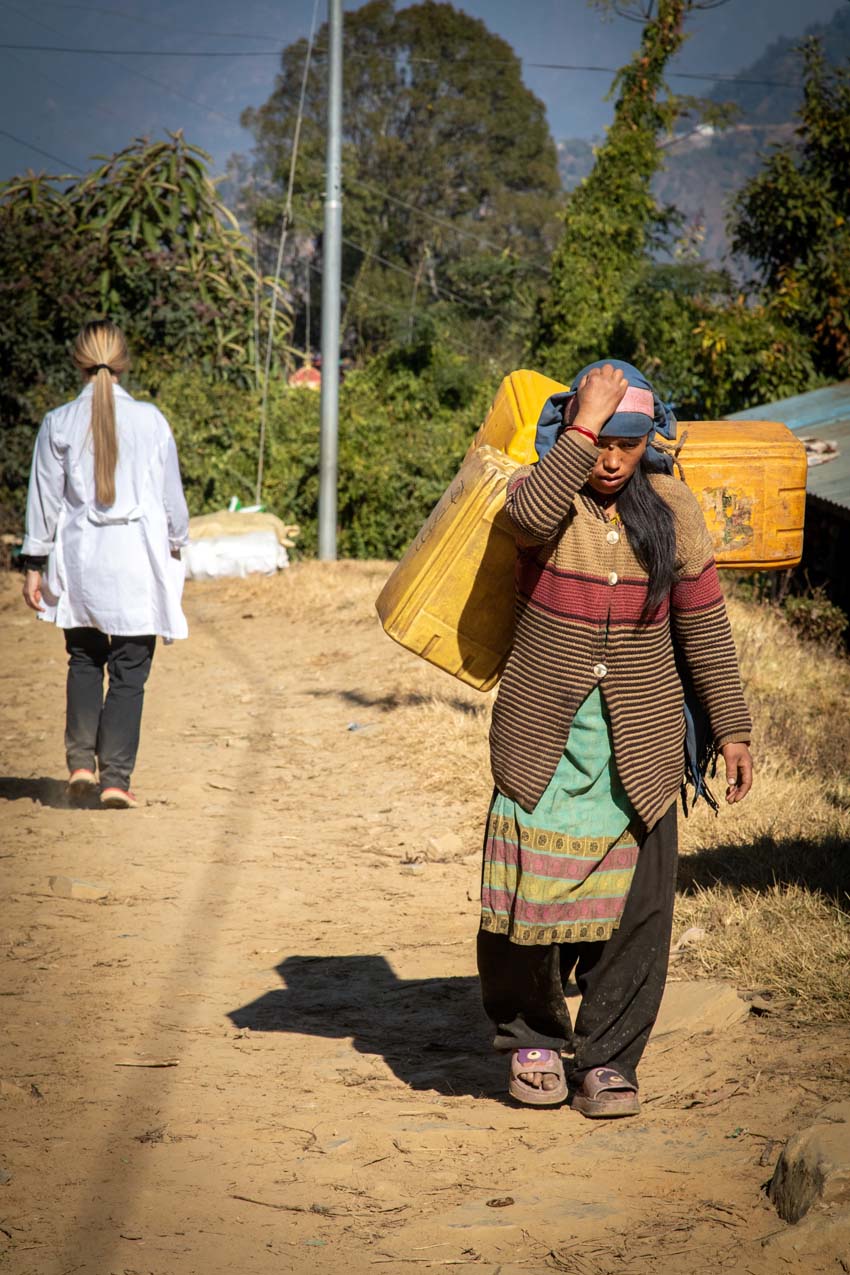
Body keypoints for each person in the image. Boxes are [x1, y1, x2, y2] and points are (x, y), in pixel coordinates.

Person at [478, 359, 753, 1117]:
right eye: (598, 440)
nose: (608, 459)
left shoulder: (673, 508)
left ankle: (607, 1056)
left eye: (625, 444)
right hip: (545, 739)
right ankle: (532, 1037)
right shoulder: (545, 493)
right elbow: (526, 520)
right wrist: (582, 423)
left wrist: (731, 725)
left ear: (648, 444)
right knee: (525, 895)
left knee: (639, 908)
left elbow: (703, 625)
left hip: (640, 742)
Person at [20, 319, 189, 809]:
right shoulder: (151, 420)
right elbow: (171, 499)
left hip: (81, 563)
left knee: (84, 659)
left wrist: (34, 563)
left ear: (79, 361)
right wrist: (178, 541)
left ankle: (79, 765)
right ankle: (116, 779)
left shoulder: (58, 421)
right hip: (137, 561)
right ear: (123, 363)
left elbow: (43, 502)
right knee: (130, 670)